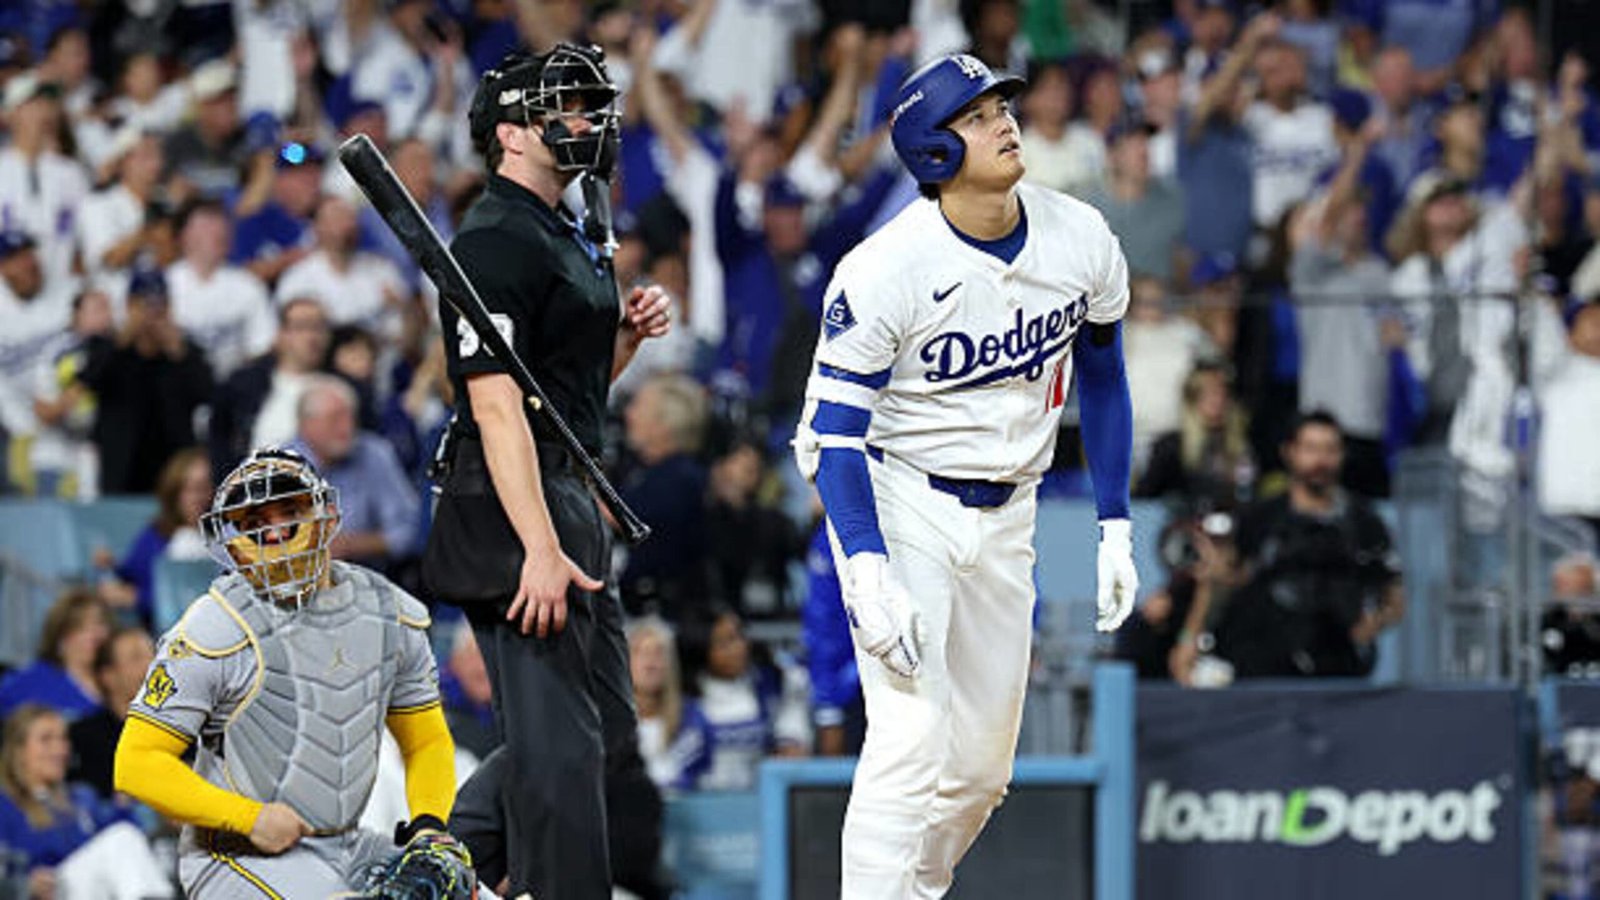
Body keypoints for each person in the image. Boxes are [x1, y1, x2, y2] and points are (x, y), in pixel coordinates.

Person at [791, 54, 1138, 897]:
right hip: (901, 493)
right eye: (976, 115)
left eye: (1000, 106)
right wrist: (866, 565)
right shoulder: (884, 269)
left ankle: (916, 888)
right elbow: (832, 433)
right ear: (933, 150)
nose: (1003, 121)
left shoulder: (1080, 235)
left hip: (1010, 509)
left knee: (981, 772)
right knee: (910, 734)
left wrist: (1115, 523)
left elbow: (1102, 373)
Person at [430, 44, 672, 900]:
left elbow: (559, 399)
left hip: (566, 486)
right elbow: (495, 408)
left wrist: (627, 342)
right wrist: (536, 545)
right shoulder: (493, 238)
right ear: (510, 134)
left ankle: (443, 863)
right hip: (510, 504)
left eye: (589, 104)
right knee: (563, 750)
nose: (587, 121)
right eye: (564, 107)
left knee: (598, 729)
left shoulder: (564, 230)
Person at [111, 447, 472, 898]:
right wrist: (249, 817)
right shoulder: (213, 626)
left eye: (289, 510)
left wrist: (428, 827)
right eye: (255, 521)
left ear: (325, 514)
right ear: (232, 538)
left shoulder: (387, 612)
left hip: (348, 842)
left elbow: (426, 741)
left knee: (467, 891)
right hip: (235, 853)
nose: (274, 529)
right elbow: (136, 764)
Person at [1211, 411, 1405, 678]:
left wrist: (1373, 623)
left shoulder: (1364, 521)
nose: (1321, 461)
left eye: (1330, 450)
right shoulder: (1261, 518)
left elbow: (1392, 593)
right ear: (1290, 452)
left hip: (1339, 666)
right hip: (1265, 661)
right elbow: (1228, 578)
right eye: (1311, 449)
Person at [0, 704, 172, 900]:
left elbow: (116, 849)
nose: (60, 749)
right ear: (19, 750)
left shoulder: (81, 797)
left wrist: (123, 807)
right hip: (48, 893)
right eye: (46, 740)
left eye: (63, 738)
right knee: (121, 837)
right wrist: (25, 884)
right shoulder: (5, 804)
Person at [98, 447, 212, 625]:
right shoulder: (156, 535)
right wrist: (112, 567)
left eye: (203, 488)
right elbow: (132, 576)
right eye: (189, 489)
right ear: (174, 493)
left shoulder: (227, 538)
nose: (197, 498)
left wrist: (139, 598)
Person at [68, 625, 155, 799]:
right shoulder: (83, 738)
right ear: (109, 677)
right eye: (136, 657)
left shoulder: (187, 728)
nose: (152, 664)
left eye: (154, 654)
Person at [0, 590, 112, 722]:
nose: (96, 634)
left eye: (100, 624)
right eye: (82, 627)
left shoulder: (120, 679)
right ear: (61, 637)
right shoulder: (27, 683)